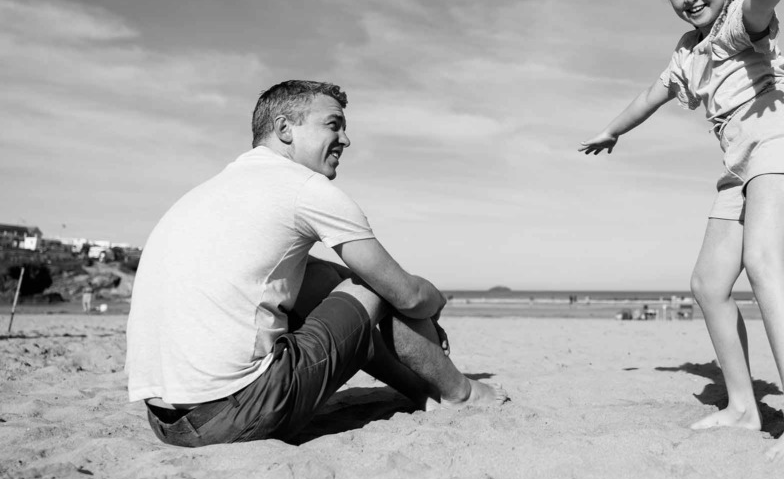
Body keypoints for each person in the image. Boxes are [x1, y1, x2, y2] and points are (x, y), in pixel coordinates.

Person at [126, 80, 507, 447]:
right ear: (284, 129)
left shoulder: (209, 192)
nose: (346, 139)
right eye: (333, 125)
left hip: (166, 422)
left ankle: (424, 388)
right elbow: (404, 295)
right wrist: (435, 303)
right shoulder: (304, 188)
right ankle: (460, 394)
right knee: (368, 285)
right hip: (233, 414)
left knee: (318, 277)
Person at [579, 0, 784, 460]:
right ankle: (743, 409)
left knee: (764, 261)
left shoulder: (739, 21)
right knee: (708, 283)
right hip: (738, 161)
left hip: (780, 136)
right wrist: (612, 131)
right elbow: (652, 94)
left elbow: (761, 7)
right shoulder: (685, 51)